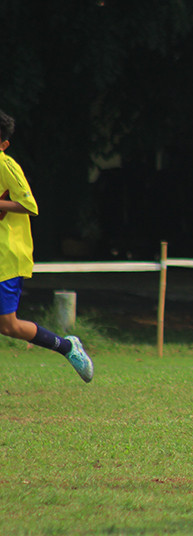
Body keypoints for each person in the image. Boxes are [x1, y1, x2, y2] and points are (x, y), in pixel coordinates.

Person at [0, 110, 93, 382]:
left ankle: (67, 346)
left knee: (8, 326)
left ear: (4, 144)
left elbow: (30, 206)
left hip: (7, 255)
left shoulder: (6, 165)